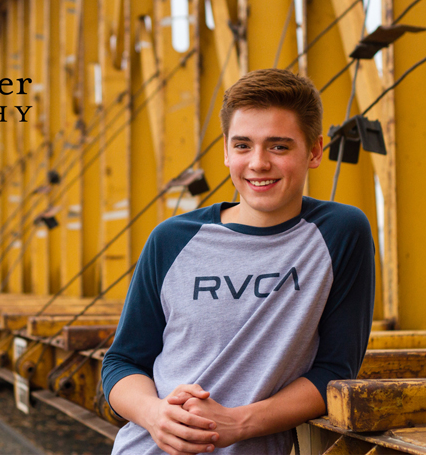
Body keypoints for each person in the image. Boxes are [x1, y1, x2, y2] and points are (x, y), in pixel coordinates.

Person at [101, 68, 375, 454]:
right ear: (227, 150)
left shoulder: (340, 233)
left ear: (314, 151)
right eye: (243, 146)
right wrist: (154, 414)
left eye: (278, 146)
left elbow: (335, 371)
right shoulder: (172, 239)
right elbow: (122, 361)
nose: (258, 163)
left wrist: (238, 422)